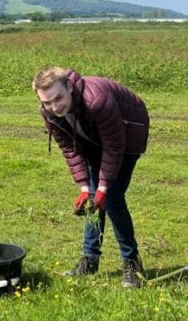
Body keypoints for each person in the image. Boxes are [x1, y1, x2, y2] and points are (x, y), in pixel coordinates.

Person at [32, 67, 149, 288]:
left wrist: (103, 189)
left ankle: (133, 265)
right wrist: (85, 188)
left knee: (112, 198)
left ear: (68, 87)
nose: (55, 107)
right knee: (92, 201)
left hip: (128, 131)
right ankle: (90, 260)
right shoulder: (49, 112)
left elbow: (114, 148)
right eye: (47, 102)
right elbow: (70, 149)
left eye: (58, 98)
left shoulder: (96, 100)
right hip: (93, 136)